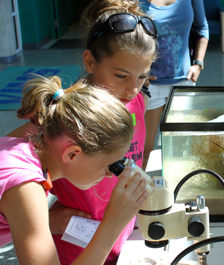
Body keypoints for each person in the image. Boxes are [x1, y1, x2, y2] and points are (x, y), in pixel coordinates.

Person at [7, 1, 158, 264]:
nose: (133, 89)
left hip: (121, 239)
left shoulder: (137, 102)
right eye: (121, 76)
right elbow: (14, 152)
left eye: (142, 77)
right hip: (78, 248)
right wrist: (42, 218)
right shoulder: (65, 117)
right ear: (89, 61)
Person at [0, 75, 148, 264]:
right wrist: (114, 223)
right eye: (109, 166)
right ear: (72, 155)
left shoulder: (25, 141)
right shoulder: (26, 188)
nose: (111, 174)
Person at [139, 0, 209, 169]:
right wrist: (138, 72)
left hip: (183, 82)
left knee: (180, 147)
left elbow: (202, 28)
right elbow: (125, 38)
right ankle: (134, 192)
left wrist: (198, 64)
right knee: (144, 148)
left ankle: (176, 192)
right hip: (150, 84)